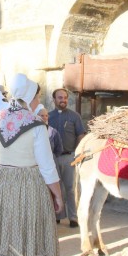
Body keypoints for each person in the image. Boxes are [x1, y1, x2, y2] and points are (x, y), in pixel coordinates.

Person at [0, 73, 64, 256]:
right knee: (27, 228)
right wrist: (57, 195)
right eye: (38, 97)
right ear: (31, 96)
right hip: (28, 184)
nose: (38, 101)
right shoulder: (36, 124)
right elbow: (47, 165)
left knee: (2, 229)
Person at [48, 88, 86, 228]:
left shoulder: (74, 116)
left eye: (65, 97)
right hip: (52, 158)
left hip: (69, 156)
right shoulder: (48, 116)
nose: (63, 100)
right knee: (55, 188)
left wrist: (77, 153)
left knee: (70, 188)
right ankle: (57, 215)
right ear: (54, 99)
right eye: (60, 97)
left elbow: (80, 134)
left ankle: (73, 217)